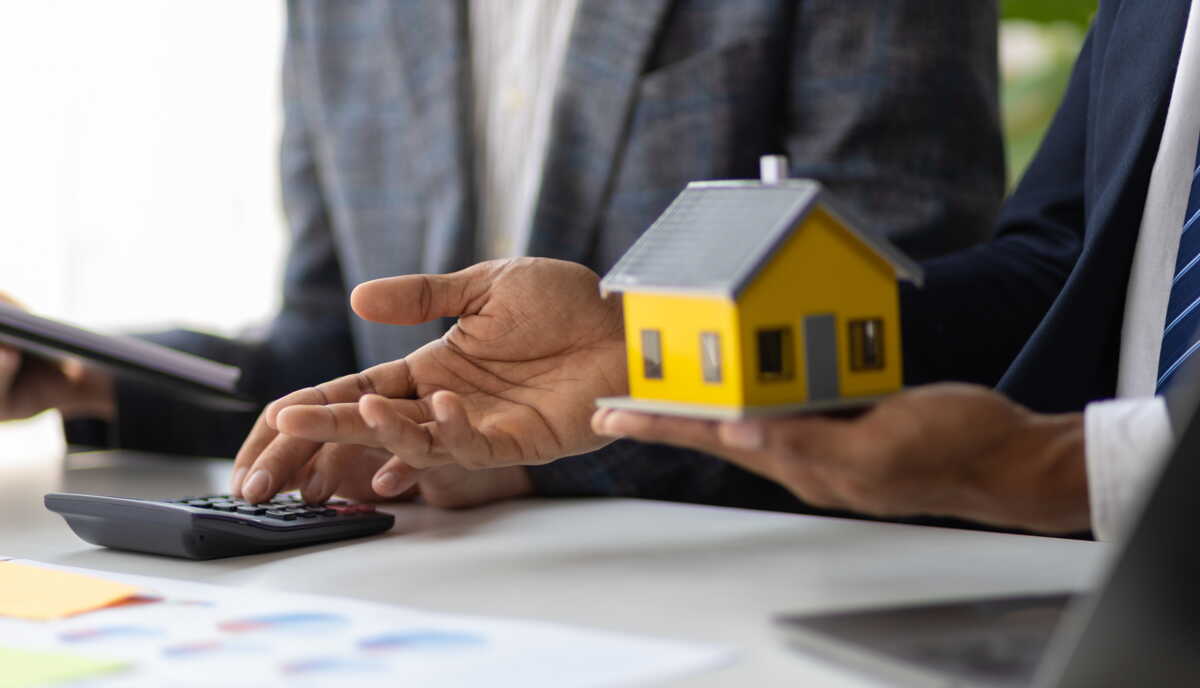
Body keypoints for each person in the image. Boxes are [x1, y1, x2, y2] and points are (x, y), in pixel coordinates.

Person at [234, 0, 1200, 541]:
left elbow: (906, 250)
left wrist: (1054, 470)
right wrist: (649, 352)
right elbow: (1060, 273)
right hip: (1114, 639)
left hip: (738, 578)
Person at [0, 1, 1005, 512]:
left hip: (740, 599)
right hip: (449, 608)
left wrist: (535, 463)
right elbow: (335, 349)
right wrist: (95, 376)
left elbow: (915, 321)